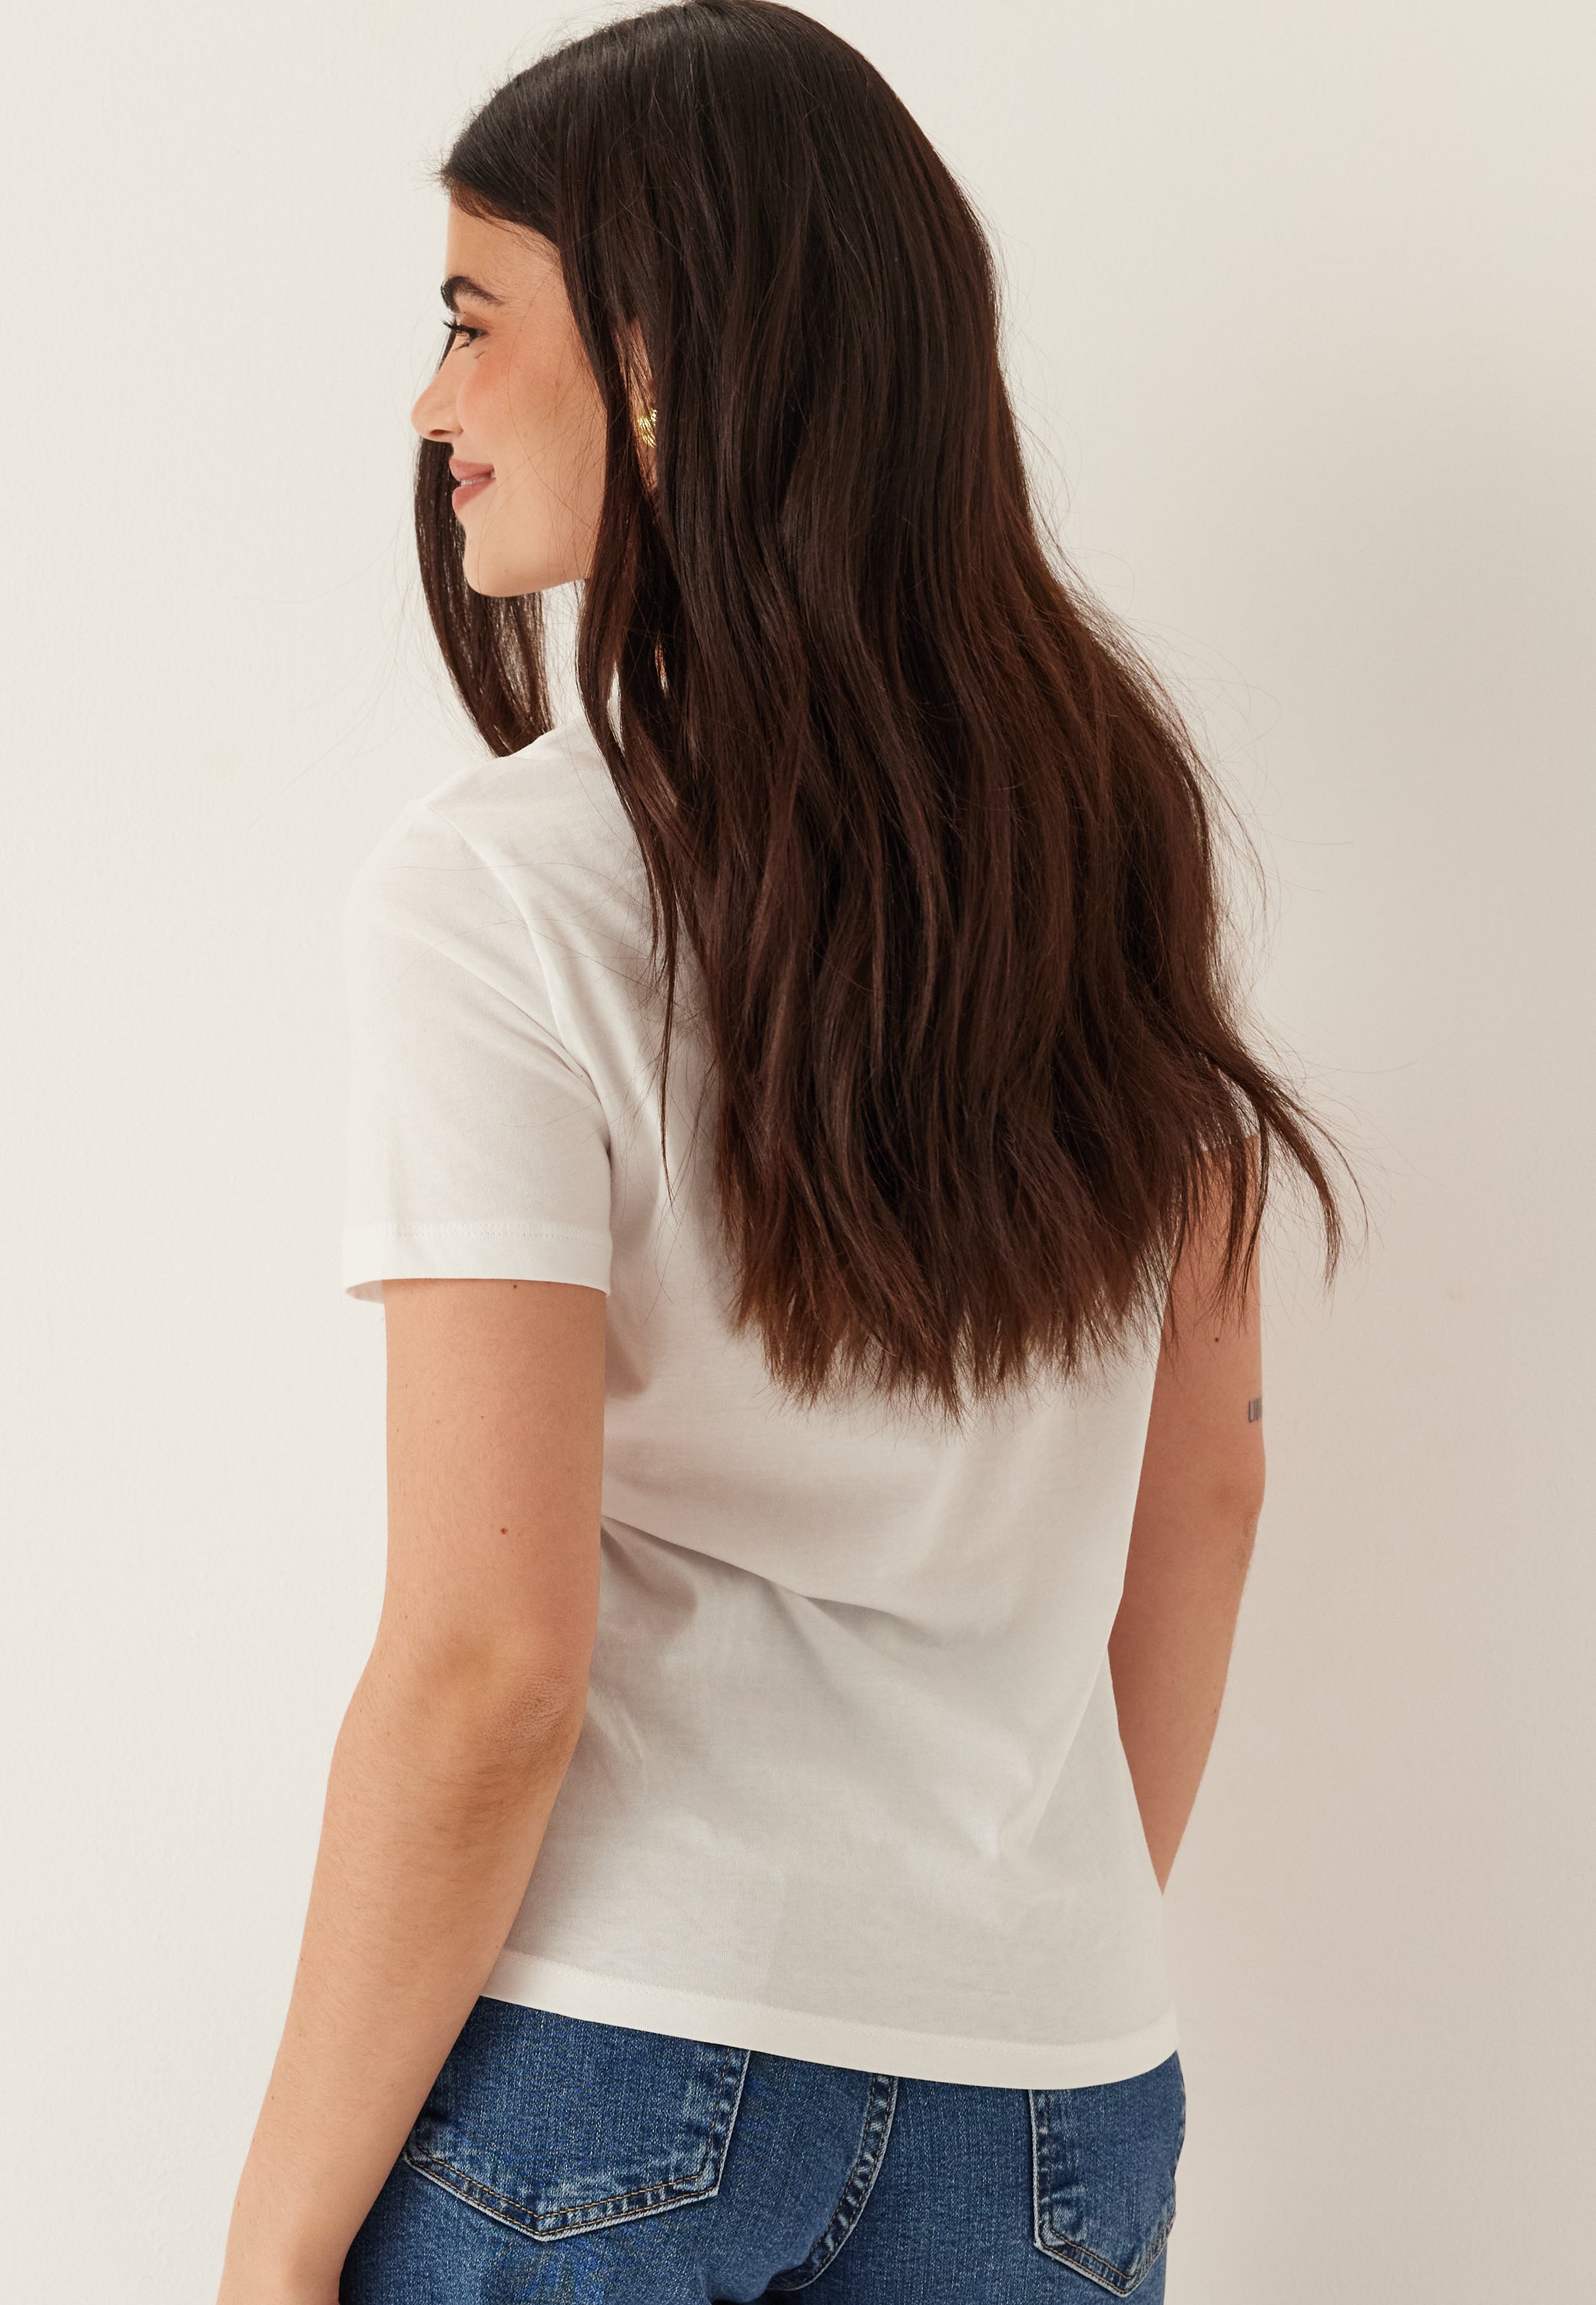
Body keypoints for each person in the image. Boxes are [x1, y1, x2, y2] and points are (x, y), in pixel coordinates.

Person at [217, 5, 1352, 2300]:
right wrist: (994, 1953)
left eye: (470, 319)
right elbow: (1209, 1490)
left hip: (620, 2052)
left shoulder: (506, 894)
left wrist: (270, 2252)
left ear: (654, 362)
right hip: (1056, 2097)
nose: (431, 404)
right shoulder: (1106, 849)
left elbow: (488, 1661)